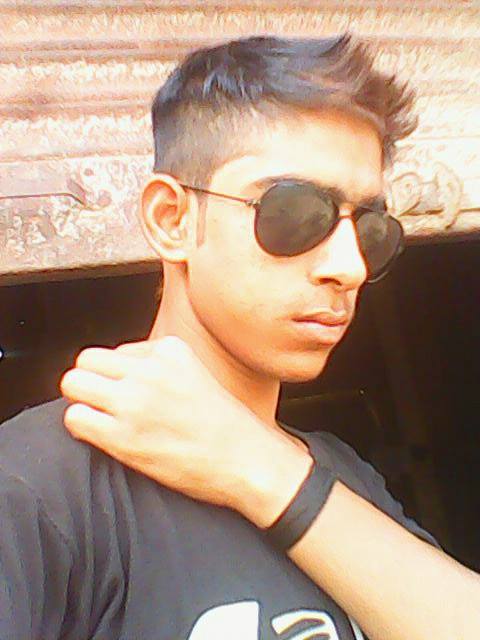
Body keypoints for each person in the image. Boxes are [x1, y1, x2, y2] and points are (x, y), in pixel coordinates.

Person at [1, 34, 479, 640]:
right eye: (295, 212)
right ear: (172, 220)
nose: (350, 266)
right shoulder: (38, 485)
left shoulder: (342, 474)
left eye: (370, 228)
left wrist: (258, 467)